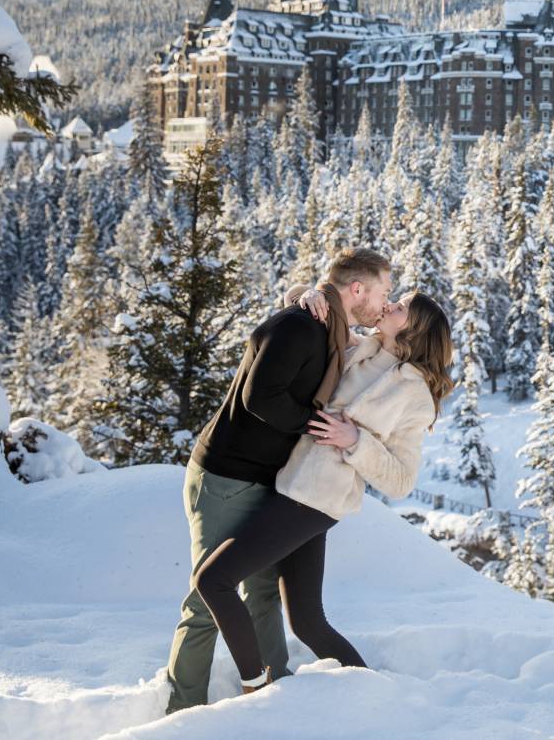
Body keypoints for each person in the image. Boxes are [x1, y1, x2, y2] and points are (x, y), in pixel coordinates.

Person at [162, 248, 394, 714]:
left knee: (263, 590)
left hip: (268, 479)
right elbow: (259, 397)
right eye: (383, 291)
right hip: (226, 474)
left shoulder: (330, 327)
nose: (385, 302)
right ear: (357, 290)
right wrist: (317, 428)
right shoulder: (300, 326)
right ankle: (183, 711)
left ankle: (273, 693)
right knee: (209, 596)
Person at [191, 289, 454, 694]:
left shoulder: (415, 396)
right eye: (394, 299)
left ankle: (254, 688)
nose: (389, 305)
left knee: (214, 581)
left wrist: (355, 440)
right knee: (308, 622)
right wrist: (304, 294)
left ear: (415, 329)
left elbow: (400, 481)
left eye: (400, 307)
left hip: (314, 501)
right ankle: (374, 693)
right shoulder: (362, 350)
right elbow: (318, 329)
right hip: (292, 486)